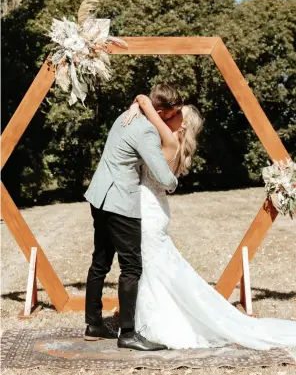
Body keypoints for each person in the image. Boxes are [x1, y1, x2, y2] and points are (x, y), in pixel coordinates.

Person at [124, 94, 296, 350]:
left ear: (181, 125)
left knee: (150, 268)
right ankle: (153, 321)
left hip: (149, 210)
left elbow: (149, 114)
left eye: (175, 116)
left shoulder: (167, 141)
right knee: (155, 269)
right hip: (154, 209)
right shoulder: (174, 146)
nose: (170, 118)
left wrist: (139, 103)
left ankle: (158, 326)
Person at [84, 84, 183, 351]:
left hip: (99, 196)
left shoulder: (124, 117)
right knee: (131, 267)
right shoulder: (147, 130)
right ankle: (128, 334)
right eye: (172, 115)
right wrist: (174, 182)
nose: (173, 119)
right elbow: (163, 177)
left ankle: (93, 324)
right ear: (160, 112)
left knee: (100, 261)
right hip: (120, 202)